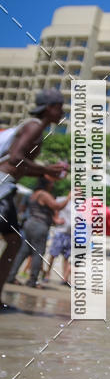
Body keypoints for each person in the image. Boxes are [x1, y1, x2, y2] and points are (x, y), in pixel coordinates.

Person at [0, 89, 67, 308]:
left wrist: (44, 172)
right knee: (12, 241)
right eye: (60, 106)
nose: (63, 110)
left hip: (7, 184)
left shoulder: (36, 127)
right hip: (2, 183)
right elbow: (17, 158)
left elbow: (18, 165)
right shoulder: (35, 126)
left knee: (14, 241)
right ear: (49, 108)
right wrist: (45, 168)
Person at [8, 175, 70, 287]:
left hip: (30, 223)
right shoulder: (44, 194)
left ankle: (11, 276)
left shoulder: (34, 194)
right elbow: (57, 206)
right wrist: (68, 198)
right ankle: (32, 281)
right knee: (38, 253)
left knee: (24, 251)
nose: (52, 185)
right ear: (46, 183)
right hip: (39, 225)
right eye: (51, 182)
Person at [44, 195, 72, 285]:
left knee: (67, 257)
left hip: (70, 234)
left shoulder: (79, 204)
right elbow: (54, 208)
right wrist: (55, 218)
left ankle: (65, 278)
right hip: (60, 232)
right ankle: (47, 274)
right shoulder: (61, 199)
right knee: (53, 254)